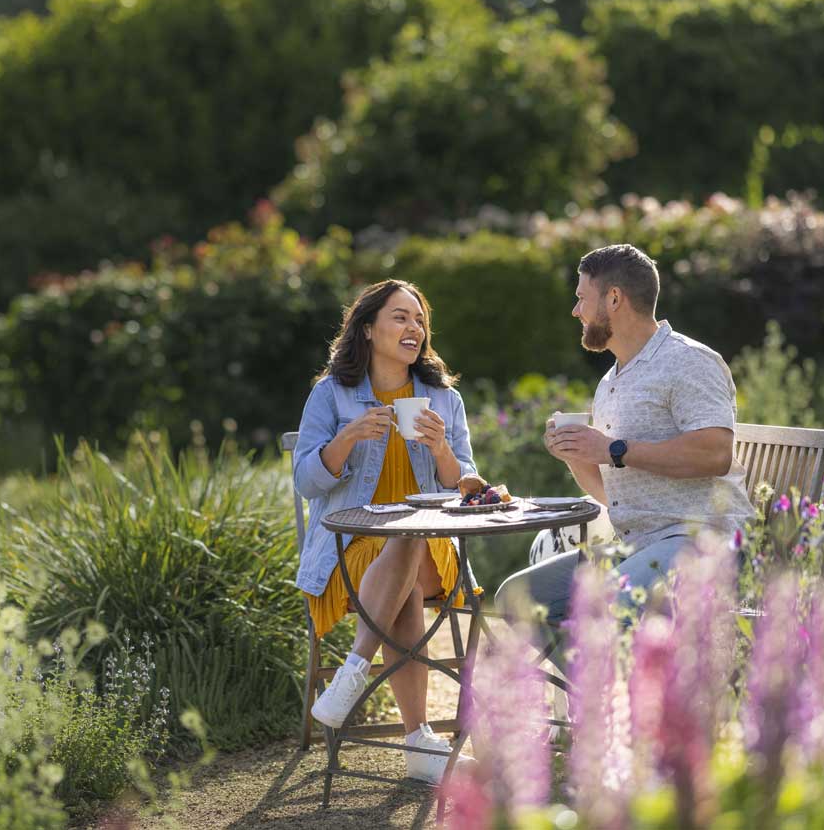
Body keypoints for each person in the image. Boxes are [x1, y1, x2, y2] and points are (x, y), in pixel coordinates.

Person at [496, 243, 753, 645]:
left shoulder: (688, 361)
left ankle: (615, 703)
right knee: (516, 598)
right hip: (638, 546)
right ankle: (594, 700)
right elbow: (615, 494)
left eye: (582, 298)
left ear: (613, 298)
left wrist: (612, 449)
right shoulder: (611, 381)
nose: (575, 311)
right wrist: (577, 455)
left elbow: (716, 454)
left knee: (603, 606)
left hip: (702, 539)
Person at [293, 279, 477, 783]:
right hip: (350, 550)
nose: (413, 327)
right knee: (406, 566)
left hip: (430, 548)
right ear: (368, 329)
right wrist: (347, 438)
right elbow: (306, 481)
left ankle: (353, 673)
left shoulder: (443, 399)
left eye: (419, 319)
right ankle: (419, 741)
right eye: (400, 317)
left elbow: (465, 487)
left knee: (410, 536)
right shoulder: (330, 395)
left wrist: (442, 451)